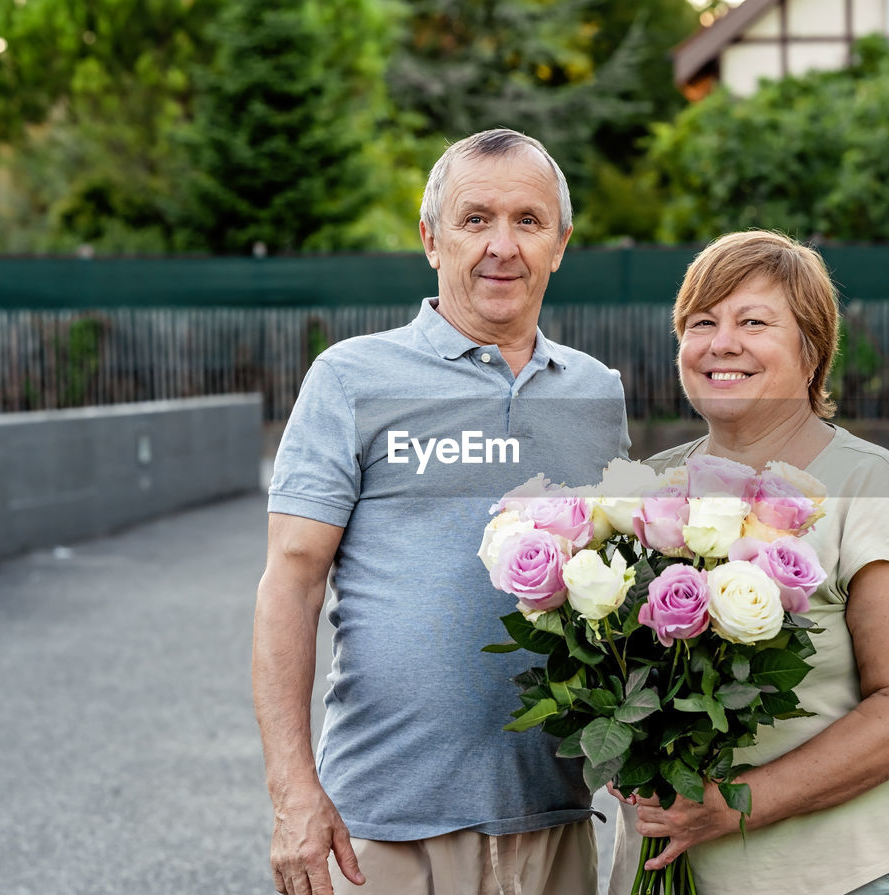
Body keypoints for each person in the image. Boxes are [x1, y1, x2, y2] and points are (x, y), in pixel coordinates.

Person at [254, 129, 630, 895]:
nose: (502, 245)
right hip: (386, 828)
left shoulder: (596, 393)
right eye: (475, 219)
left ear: (560, 244)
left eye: (528, 221)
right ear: (431, 239)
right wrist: (294, 792)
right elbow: (289, 585)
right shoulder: (352, 378)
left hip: (556, 817)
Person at [607, 230, 889, 895]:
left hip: (853, 874)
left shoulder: (870, 486)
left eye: (753, 322)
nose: (722, 342)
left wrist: (732, 805)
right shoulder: (645, 492)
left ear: (812, 350)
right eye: (702, 321)